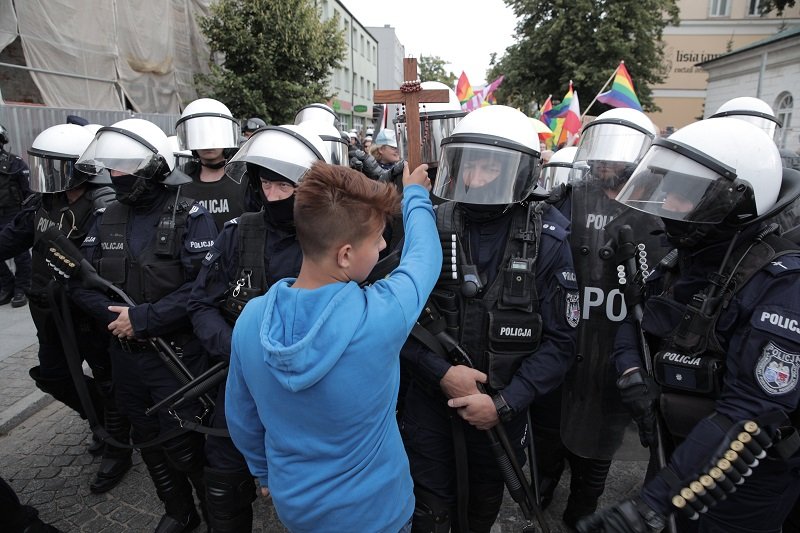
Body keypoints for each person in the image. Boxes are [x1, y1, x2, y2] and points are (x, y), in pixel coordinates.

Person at [578, 117, 800, 533]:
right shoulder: (684, 257)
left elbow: (751, 417)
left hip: (747, 480)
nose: (668, 203)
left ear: (733, 201)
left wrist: (652, 505)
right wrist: (631, 373)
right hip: (676, 451)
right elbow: (637, 314)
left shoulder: (782, 285)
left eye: (685, 195)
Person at [225, 159, 440, 533]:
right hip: (378, 514)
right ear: (345, 254)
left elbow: (242, 418)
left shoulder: (251, 321)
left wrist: (264, 473)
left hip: (298, 509)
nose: (384, 245)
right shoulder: (379, 317)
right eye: (377, 240)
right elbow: (425, 259)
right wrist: (417, 195)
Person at [400, 105, 578, 532]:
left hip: (500, 409)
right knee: (429, 511)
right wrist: (440, 372)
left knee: (481, 508)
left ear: (516, 172)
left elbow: (561, 342)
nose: (475, 178)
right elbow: (394, 318)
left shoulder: (549, 240)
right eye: (468, 165)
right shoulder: (429, 223)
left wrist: (504, 403)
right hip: (428, 401)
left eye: (489, 167)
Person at [72, 118, 218, 533]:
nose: (116, 175)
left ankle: (214, 513)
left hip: (176, 359)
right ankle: (178, 511)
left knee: (183, 444)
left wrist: (143, 319)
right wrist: (117, 320)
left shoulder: (191, 214)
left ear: (153, 167)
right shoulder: (107, 215)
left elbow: (201, 290)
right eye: (111, 166)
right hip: (125, 356)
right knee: (144, 439)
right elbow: (80, 283)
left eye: (125, 166)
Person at [188, 123, 330, 532]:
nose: (272, 194)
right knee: (223, 485)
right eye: (265, 183)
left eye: (283, 185)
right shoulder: (240, 232)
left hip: (307, 391)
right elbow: (201, 304)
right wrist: (237, 349)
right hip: (239, 382)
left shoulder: (331, 237)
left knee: (313, 494)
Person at [540, 108, 666, 528]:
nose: (605, 163)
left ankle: (584, 504)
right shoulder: (569, 198)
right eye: (601, 155)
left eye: (617, 157)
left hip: (619, 340)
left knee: (603, 433)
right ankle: (543, 486)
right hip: (566, 331)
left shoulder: (658, 211)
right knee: (550, 423)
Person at [0, 124, 133, 493]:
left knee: (108, 380)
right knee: (54, 375)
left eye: (56, 167)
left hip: (88, 312)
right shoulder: (42, 203)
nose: (48, 176)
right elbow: (10, 240)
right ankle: (100, 423)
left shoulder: (106, 205)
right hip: (47, 310)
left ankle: (117, 446)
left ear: (81, 167)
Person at [176, 98, 249, 231]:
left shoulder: (244, 178)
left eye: (214, 138)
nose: (208, 144)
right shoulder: (181, 180)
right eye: (201, 137)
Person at [0, 123, 32, 307]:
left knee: (20, 254)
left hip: (13, 213)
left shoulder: (15, 163)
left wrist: (26, 215)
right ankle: (7, 286)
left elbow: (28, 191)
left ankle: (22, 288)